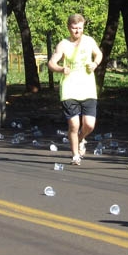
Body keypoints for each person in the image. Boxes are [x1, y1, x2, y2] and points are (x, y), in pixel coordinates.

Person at [48, 14, 103, 166]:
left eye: (80, 28)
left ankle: (80, 139)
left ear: (83, 27)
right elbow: (51, 63)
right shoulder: (63, 44)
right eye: (74, 28)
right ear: (69, 28)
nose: (77, 31)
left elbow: (99, 54)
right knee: (74, 125)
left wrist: (95, 64)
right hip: (69, 88)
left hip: (88, 88)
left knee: (89, 124)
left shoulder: (89, 41)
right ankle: (75, 156)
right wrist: (61, 68)